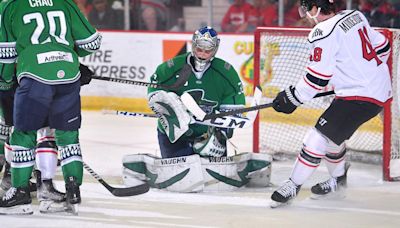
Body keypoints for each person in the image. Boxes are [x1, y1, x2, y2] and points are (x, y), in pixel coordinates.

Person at [269, 0, 391, 208]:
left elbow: (317, 80)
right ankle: (338, 181)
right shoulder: (354, 16)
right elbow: (384, 46)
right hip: (377, 90)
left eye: (307, 10)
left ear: (316, 9)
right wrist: (360, 78)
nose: (306, 15)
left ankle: (293, 185)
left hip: (361, 96)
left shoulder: (323, 31)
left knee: (317, 138)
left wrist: (292, 98)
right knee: (334, 138)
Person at [0, 0, 101, 215]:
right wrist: (67, 57)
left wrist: (5, 81)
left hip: (31, 76)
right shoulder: (64, 2)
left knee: (22, 133)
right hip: (67, 76)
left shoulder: (11, 5)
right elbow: (92, 43)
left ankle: (19, 190)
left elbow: (6, 53)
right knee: (66, 135)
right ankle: (72, 189)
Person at [147, 26, 245, 159]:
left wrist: (221, 133)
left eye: (208, 50)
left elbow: (233, 106)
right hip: (174, 137)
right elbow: (155, 90)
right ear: (193, 46)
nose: (202, 54)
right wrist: (170, 111)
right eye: (199, 49)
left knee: (214, 178)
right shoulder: (173, 67)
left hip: (208, 137)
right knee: (176, 176)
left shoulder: (226, 73)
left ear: (214, 50)